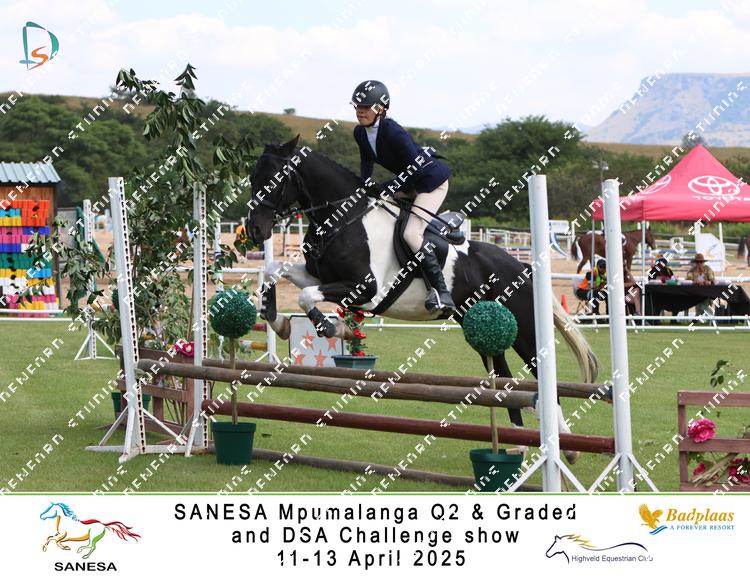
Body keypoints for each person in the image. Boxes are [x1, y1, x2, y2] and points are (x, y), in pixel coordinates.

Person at [351, 80, 454, 315]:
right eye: (357, 106)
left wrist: (387, 187)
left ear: (381, 109)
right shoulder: (360, 133)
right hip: (409, 183)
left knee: (411, 233)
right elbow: (366, 161)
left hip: (430, 182)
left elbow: (416, 169)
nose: (360, 111)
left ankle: (441, 291)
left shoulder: (393, 132)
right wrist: (363, 185)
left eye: (365, 107)